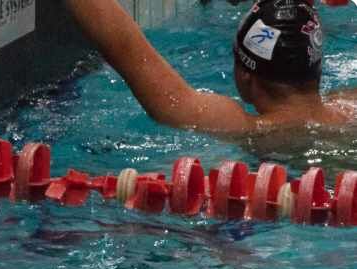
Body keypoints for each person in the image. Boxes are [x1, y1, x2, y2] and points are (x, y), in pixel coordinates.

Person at [65, 0, 356, 155]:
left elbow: (128, 51)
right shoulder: (350, 107)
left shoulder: (249, 129)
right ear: (317, 68)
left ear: (245, 77)